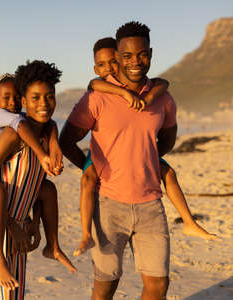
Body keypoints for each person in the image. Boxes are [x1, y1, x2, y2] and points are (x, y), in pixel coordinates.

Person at [60, 21, 177, 300]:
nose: (136, 62)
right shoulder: (96, 98)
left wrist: (144, 160)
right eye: (127, 56)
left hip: (150, 205)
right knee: (106, 285)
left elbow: (169, 139)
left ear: (150, 53)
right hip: (108, 205)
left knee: (158, 285)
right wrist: (92, 169)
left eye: (142, 54)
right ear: (118, 57)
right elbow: (66, 141)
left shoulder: (163, 98)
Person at [74, 37, 216, 256]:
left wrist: (149, 97)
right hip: (104, 158)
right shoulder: (98, 88)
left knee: (168, 172)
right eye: (102, 65)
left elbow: (163, 84)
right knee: (88, 180)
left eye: (113, 62)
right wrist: (88, 165)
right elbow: (95, 84)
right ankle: (85, 234)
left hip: (140, 159)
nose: (109, 68)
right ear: (95, 68)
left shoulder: (154, 90)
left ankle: (190, 221)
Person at [0, 61, 72, 299]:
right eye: (35, 98)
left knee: (12, 295)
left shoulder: (45, 136)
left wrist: (34, 222)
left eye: (50, 97)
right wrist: (11, 225)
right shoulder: (13, 135)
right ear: (23, 101)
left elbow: (32, 185)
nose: (44, 104)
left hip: (18, 230)